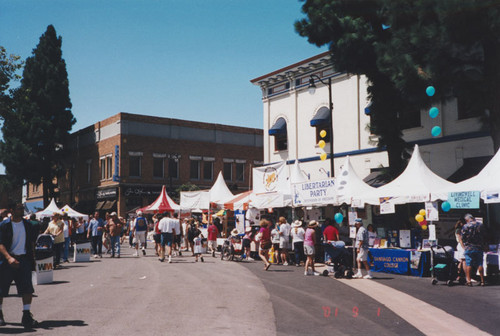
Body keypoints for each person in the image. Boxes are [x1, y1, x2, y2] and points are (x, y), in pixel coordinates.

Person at [0, 201, 39, 329]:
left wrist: (32, 260)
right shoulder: (4, 225)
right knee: (1, 289)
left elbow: (31, 243)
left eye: (22, 208)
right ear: (11, 210)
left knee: (27, 289)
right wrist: (9, 258)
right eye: (19, 208)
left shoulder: (28, 225)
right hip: (7, 261)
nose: (22, 210)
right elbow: (1, 244)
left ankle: (26, 315)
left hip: (24, 260)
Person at [461, 214, 486, 286]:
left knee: (469, 264)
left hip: (469, 247)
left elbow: (463, 237)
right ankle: (482, 281)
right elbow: (484, 235)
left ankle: (469, 281)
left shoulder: (465, 226)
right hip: (479, 247)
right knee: (480, 263)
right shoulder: (480, 225)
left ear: (467, 219)